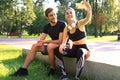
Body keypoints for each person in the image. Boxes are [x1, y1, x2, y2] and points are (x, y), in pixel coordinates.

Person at [10, 7, 66, 77]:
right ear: (47, 17)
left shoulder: (62, 24)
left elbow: (60, 41)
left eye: (54, 14)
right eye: (51, 15)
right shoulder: (46, 27)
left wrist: (45, 41)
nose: (53, 17)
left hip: (62, 45)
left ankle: (52, 69)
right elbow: (41, 39)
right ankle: (23, 69)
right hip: (52, 45)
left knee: (50, 46)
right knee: (34, 46)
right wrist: (39, 43)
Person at [54, 2, 92, 80]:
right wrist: (62, 46)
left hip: (84, 50)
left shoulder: (80, 24)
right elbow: (64, 41)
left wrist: (89, 10)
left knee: (80, 51)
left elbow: (88, 19)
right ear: (65, 16)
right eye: (67, 13)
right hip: (74, 50)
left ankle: (77, 77)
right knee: (56, 50)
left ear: (74, 14)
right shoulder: (66, 28)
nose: (69, 14)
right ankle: (64, 75)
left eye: (71, 13)